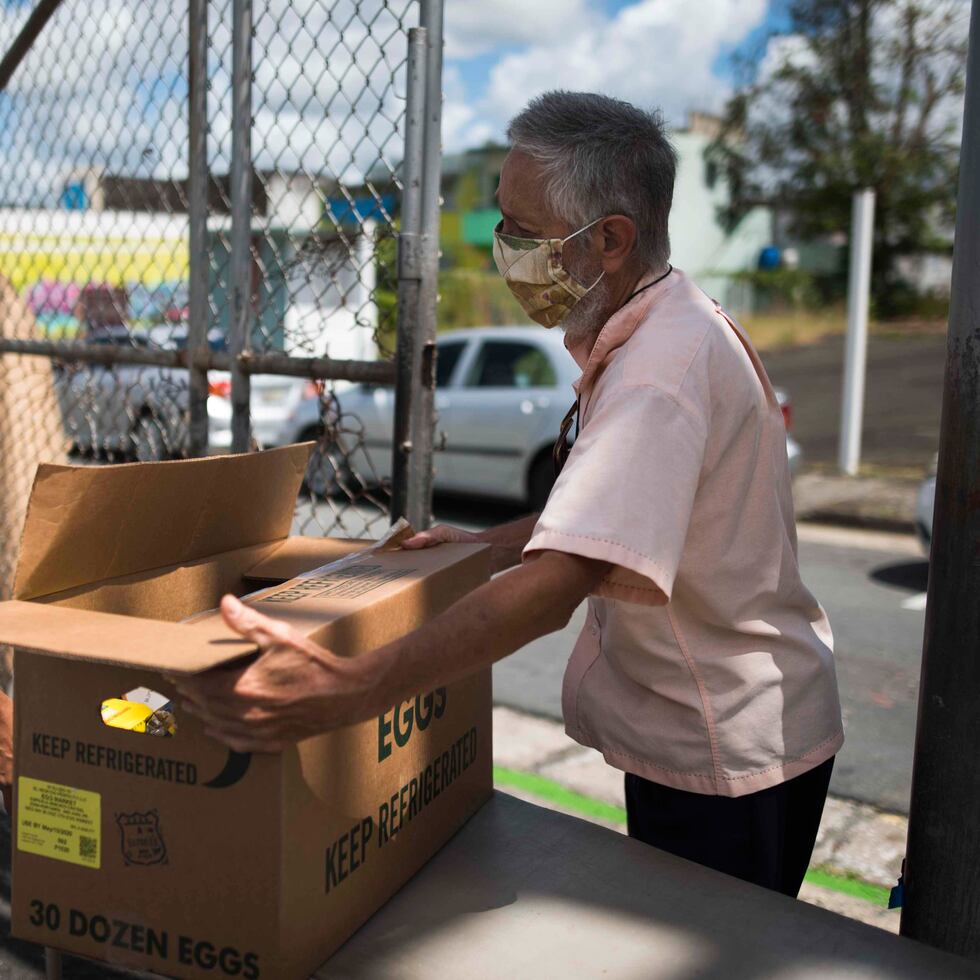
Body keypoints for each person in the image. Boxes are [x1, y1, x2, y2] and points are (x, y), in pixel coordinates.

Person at [6, 92, 845, 897]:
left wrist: (349, 691)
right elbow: (597, 524)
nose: (500, 247)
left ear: (613, 239)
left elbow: (557, 587)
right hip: (729, 729)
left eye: (523, 231)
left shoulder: (660, 376)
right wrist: (477, 545)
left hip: (730, 755)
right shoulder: (662, 330)